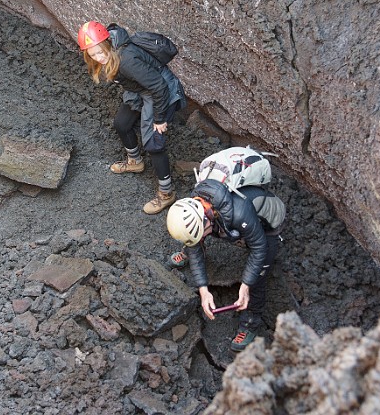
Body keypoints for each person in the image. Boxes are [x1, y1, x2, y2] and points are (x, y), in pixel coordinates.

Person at [77, 21, 186, 213]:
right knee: (122, 124)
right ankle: (135, 162)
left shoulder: (126, 60)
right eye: (93, 55)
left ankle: (167, 193)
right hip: (141, 89)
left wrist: (160, 119)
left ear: (107, 42)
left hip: (160, 92)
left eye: (100, 52)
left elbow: (159, 87)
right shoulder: (112, 50)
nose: (99, 58)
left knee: (153, 142)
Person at [166, 178, 286, 352]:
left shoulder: (239, 213)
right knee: (194, 245)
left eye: (200, 236)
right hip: (234, 218)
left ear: (207, 221)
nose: (199, 241)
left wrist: (245, 285)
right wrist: (203, 291)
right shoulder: (196, 203)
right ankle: (190, 246)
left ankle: (250, 323)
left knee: (257, 278)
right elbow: (196, 245)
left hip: (268, 223)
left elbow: (259, 249)